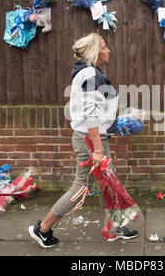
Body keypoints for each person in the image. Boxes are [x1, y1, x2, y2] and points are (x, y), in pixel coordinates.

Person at [28, 33, 138, 248]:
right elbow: (89, 115)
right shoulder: (90, 74)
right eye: (104, 47)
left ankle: (114, 228)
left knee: (108, 185)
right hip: (91, 143)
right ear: (95, 51)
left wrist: (116, 124)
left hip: (93, 139)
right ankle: (42, 229)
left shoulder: (89, 73)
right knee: (80, 188)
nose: (108, 51)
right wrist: (97, 149)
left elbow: (95, 109)